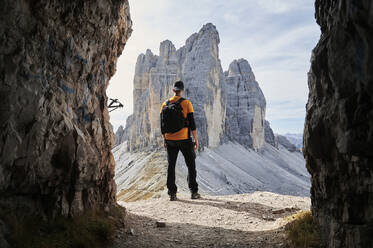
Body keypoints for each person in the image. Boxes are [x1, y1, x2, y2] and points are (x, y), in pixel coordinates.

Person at [160, 80, 201, 201]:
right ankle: (194, 192)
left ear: (173, 90)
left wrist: (164, 139)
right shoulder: (187, 103)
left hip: (169, 140)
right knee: (191, 165)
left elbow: (162, 125)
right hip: (184, 139)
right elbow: (192, 123)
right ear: (182, 90)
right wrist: (196, 139)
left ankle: (172, 193)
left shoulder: (164, 104)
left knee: (171, 166)